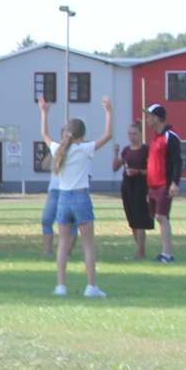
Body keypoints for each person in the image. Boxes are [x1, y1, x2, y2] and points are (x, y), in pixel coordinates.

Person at [41, 94, 114, 297]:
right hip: (81, 196)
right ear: (82, 135)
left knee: (62, 244)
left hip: (63, 197)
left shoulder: (58, 149)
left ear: (66, 133)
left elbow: (45, 134)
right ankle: (91, 287)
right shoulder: (84, 149)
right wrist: (108, 112)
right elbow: (108, 135)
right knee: (88, 244)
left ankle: (61, 286)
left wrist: (44, 113)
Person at [145, 102, 183, 262]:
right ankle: (165, 252)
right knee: (158, 217)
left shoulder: (170, 136)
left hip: (164, 184)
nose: (147, 119)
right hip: (153, 185)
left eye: (149, 116)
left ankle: (168, 254)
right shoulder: (156, 137)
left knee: (162, 216)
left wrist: (175, 183)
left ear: (156, 118)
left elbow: (177, 161)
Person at [114, 120, 153, 260]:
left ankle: (141, 252)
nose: (132, 136)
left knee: (140, 218)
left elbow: (152, 170)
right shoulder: (126, 150)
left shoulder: (146, 150)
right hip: (127, 184)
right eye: (130, 133)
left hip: (141, 185)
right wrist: (116, 153)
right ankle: (139, 250)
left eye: (135, 133)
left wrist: (137, 172)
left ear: (141, 134)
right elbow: (115, 167)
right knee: (131, 218)